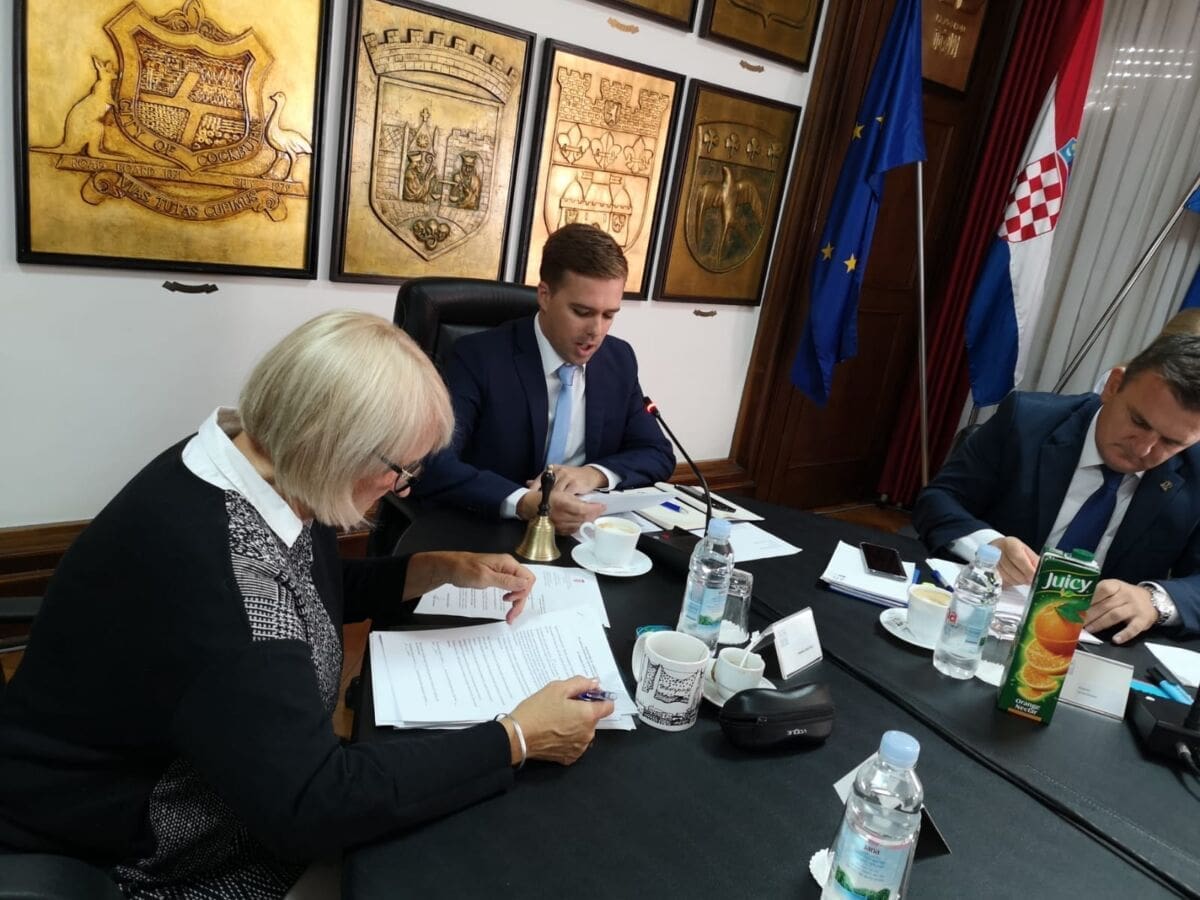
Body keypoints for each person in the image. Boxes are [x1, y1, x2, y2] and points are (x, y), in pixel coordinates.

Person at [0, 311, 612, 898]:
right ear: (335, 445)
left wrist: (430, 571)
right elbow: (315, 808)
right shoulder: (226, 587)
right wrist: (516, 738)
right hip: (136, 844)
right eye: (400, 470)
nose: (401, 487)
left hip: (216, 778)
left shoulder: (252, 462)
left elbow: (305, 589)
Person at [914, 332, 1200, 645]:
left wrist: (1155, 601)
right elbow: (939, 499)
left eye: (1171, 442)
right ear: (1113, 386)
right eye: (1139, 422)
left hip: (1097, 647)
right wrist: (988, 547)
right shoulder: (1027, 420)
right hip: (979, 621)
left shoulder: (1195, 471)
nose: (1143, 449)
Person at [413, 224, 675, 533]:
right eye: (582, 312)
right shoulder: (478, 357)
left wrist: (593, 474)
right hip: (491, 529)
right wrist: (524, 502)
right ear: (545, 296)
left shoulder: (618, 360)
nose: (596, 331)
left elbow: (657, 453)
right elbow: (433, 461)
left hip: (581, 532)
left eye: (608, 315)